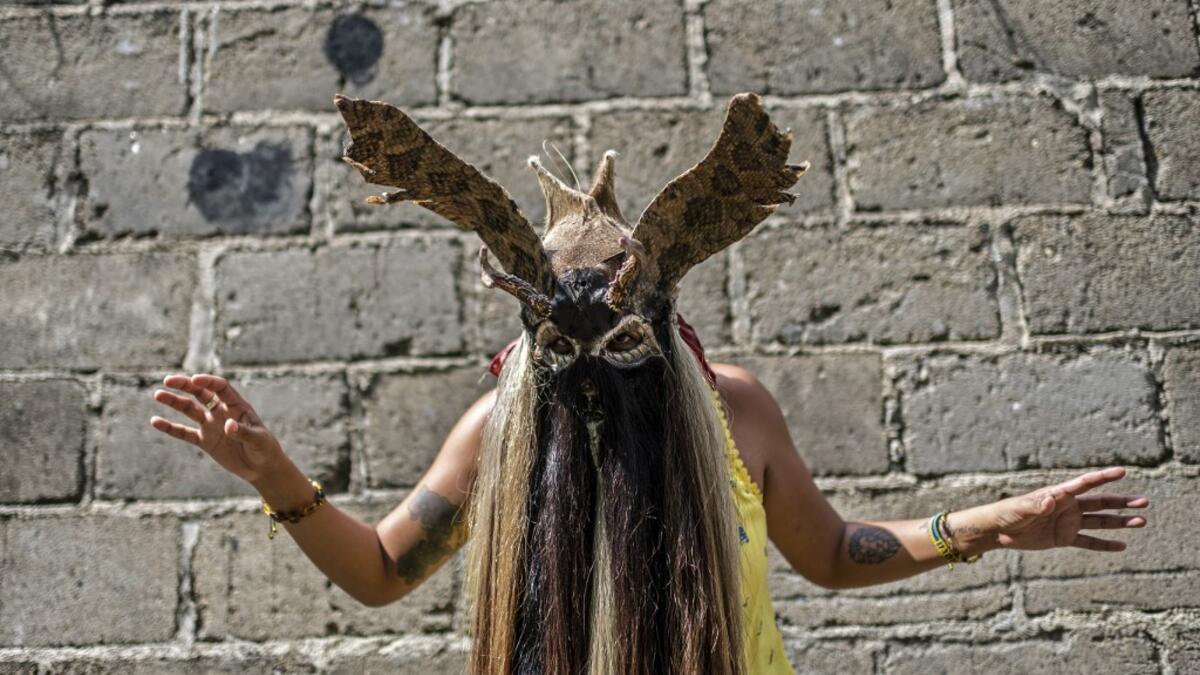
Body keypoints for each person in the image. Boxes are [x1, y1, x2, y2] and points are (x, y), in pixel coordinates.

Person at [149, 93, 1150, 675]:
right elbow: (378, 571)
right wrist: (274, 474)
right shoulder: (497, 427)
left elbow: (836, 554)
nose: (595, 354)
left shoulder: (735, 408)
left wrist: (996, 525)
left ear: (665, 307)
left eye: (622, 321)